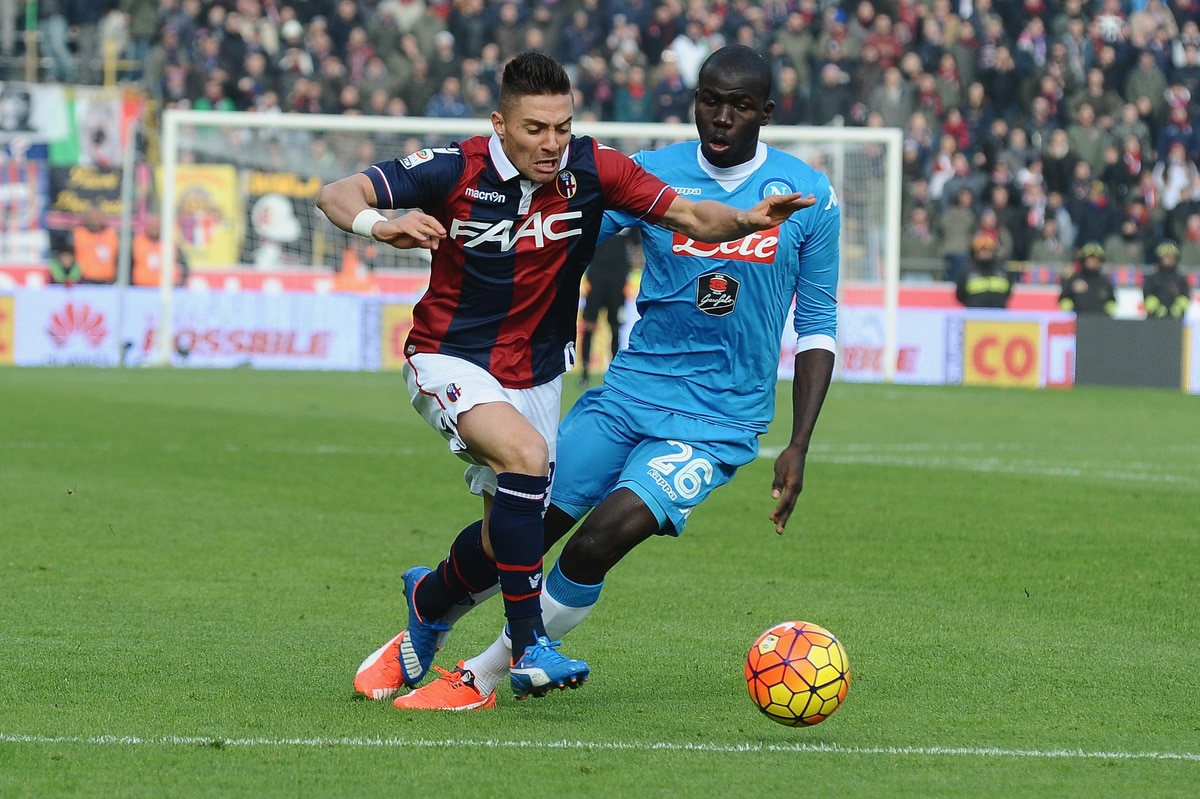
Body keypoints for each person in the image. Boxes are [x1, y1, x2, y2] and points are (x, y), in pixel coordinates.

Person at [317, 51, 813, 703]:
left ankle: (429, 599)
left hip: (539, 372)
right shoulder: (454, 168)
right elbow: (336, 193)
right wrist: (381, 224)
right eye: (534, 129)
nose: (551, 143)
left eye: (562, 127)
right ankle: (528, 646)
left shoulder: (595, 168)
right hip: (453, 355)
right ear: (500, 124)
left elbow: (693, 217)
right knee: (526, 459)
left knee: (502, 540)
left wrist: (748, 221)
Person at [577, 229, 635, 387]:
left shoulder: (630, 219)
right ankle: (584, 373)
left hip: (619, 279)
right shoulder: (598, 216)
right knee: (589, 325)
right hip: (596, 276)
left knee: (615, 327)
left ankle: (614, 372)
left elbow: (637, 241)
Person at [1058, 242, 1117, 316]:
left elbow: (1112, 301)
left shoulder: (1105, 282)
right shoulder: (1073, 279)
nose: (1093, 261)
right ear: (1083, 260)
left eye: (1096, 259)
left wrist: (1106, 316)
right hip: (1078, 320)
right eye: (1090, 258)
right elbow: (1064, 298)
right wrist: (1071, 313)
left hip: (1099, 321)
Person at [955, 235, 1013, 308]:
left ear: (993, 251)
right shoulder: (967, 272)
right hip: (974, 314)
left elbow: (1009, 293)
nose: (985, 253)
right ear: (975, 252)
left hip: (998, 314)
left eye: (988, 250)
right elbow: (960, 295)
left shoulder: (1003, 271)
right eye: (981, 250)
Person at [131, 215, 188, 287]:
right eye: (151, 225)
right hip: (140, 289)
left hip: (165, 289)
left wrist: (179, 284)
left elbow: (183, 266)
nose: (154, 228)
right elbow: (128, 265)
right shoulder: (137, 243)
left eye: (156, 225)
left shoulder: (170, 244)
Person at [1142, 240, 1191, 319]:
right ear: (1160, 258)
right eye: (1166, 257)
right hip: (1154, 320)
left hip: (1176, 320)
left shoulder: (1181, 279)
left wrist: (1176, 310)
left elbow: (1185, 298)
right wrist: (1159, 311)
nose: (1169, 259)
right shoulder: (1152, 279)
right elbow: (1148, 296)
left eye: (1172, 257)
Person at [73, 206, 118, 285]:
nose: (95, 222)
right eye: (92, 218)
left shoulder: (111, 235)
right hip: (84, 282)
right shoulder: (78, 233)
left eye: (98, 218)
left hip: (108, 282)